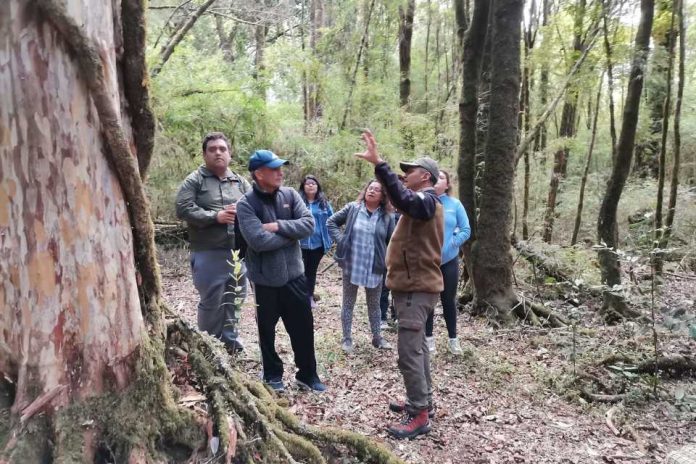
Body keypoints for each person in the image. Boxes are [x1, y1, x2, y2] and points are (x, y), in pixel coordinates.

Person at [355, 130, 444, 440]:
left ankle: (419, 413)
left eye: (410, 171)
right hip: (413, 286)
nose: (405, 175)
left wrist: (380, 164)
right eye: (403, 171)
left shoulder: (427, 200)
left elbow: (403, 198)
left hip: (416, 288)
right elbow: (400, 197)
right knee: (417, 347)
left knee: (408, 351)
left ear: (426, 176)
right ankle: (424, 402)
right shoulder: (422, 201)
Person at [236, 150, 326, 393]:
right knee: (267, 330)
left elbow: (308, 225)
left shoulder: (289, 195)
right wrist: (291, 235)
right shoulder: (246, 204)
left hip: (296, 277)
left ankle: (307, 374)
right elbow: (257, 241)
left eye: (280, 167)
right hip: (265, 280)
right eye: (274, 169)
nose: (280, 172)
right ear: (258, 173)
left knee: (304, 328)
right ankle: (272, 374)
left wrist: (277, 226)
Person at [175, 132, 250, 354]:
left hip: (237, 252)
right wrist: (214, 217)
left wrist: (242, 213)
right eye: (212, 149)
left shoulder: (240, 181)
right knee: (211, 300)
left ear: (230, 153)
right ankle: (208, 345)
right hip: (208, 251)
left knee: (235, 298)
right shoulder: (195, 180)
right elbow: (183, 208)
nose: (218, 152)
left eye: (222, 148)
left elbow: (255, 207)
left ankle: (230, 342)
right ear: (204, 154)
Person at [327, 179, 395, 353]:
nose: (372, 191)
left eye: (377, 190)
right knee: (348, 302)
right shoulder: (353, 208)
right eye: (370, 188)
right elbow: (331, 222)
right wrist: (341, 240)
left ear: (382, 196)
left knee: (374, 304)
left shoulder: (387, 216)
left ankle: (377, 338)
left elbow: (392, 241)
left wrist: (389, 262)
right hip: (352, 263)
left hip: (375, 266)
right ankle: (347, 339)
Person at [425, 170, 471, 355]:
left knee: (448, 301)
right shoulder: (425, 202)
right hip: (427, 261)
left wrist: (452, 244)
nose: (438, 181)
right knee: (428, 300)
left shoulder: (455, 204)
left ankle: (453, 339)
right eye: (436, 177)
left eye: (442, 178)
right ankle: (428, 339)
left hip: (449, 261)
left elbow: (466, 230)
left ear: (447, 184)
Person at [298, 175, 334, 309]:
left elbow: (333, 220)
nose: (311, 185)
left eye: (313, 183)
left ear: (317, 186)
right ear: (303, 187)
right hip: (300, 243)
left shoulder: (323, 203)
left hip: (318, 244)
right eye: (308, 184)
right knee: (299, 272)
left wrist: (330, 238)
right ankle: (298, 298)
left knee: (311, 272)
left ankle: (309, 297)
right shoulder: (298, 202)